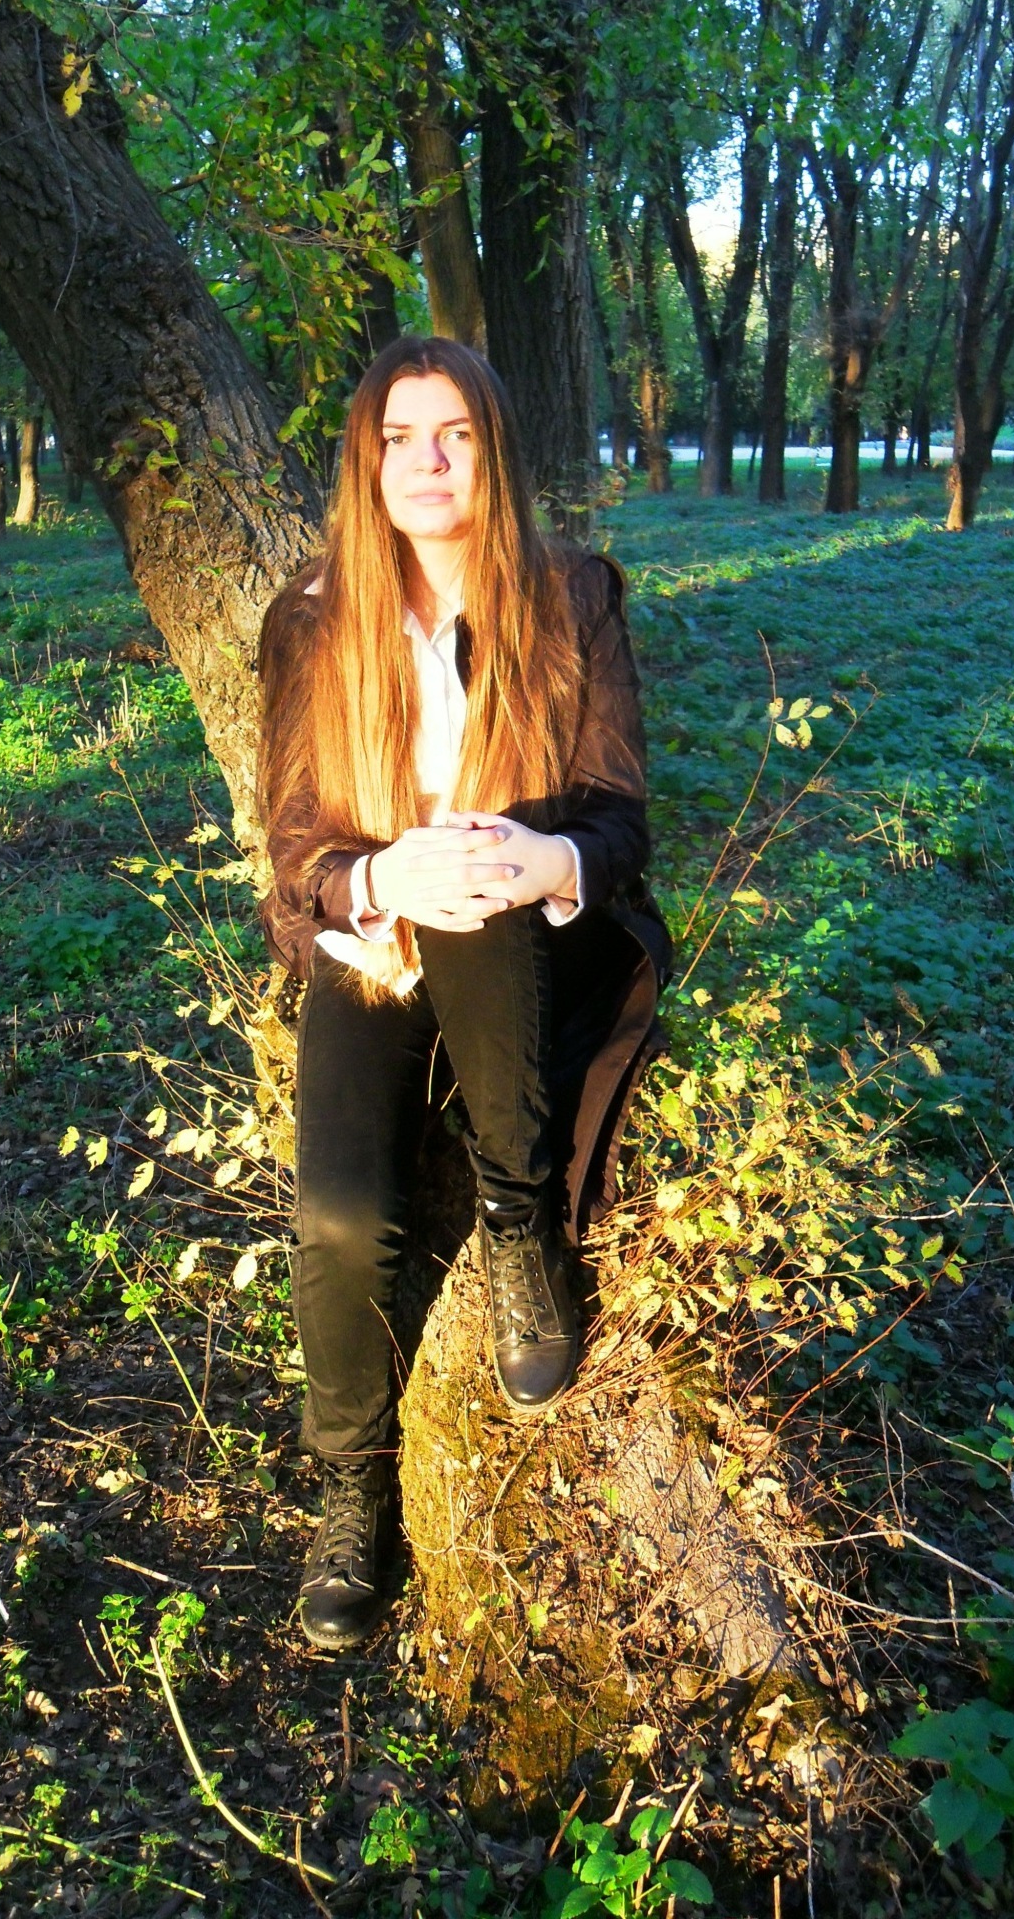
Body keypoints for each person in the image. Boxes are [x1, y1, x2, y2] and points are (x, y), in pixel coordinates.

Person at [257, 336, 670, 1652]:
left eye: (456, 436)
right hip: (379, 942)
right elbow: (296, 853)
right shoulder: (311, 620)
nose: (427, 463)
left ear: (493, 454)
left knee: (485, 870)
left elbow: (618, 818)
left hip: (522, 935)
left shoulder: (570, 595)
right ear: (366, 462)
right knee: (339, 1218)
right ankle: (351, 1488)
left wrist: (542, 858)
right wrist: (383, 879)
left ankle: (516, 1223)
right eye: (400, 439)